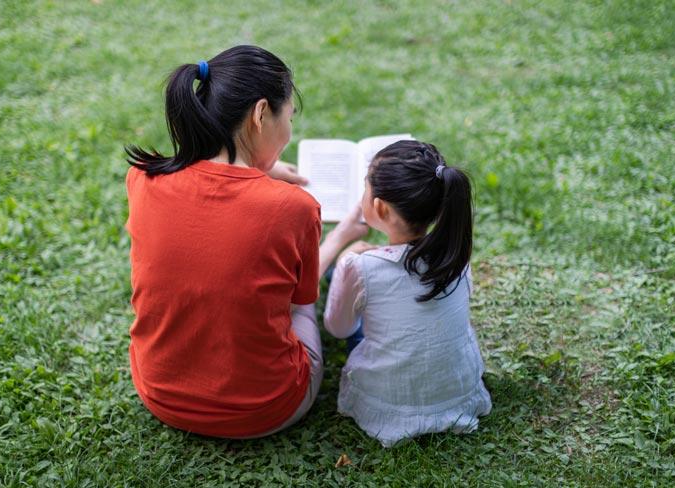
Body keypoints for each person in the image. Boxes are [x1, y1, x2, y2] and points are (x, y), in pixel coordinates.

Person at [124, 45, 365, 438]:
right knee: (301, 312)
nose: (289, 133)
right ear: (260, 114)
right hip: (265, 409)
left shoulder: (143, 179)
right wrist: (341, 237)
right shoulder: (294, 207)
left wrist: (263, 175)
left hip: (159, 394)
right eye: (289, 117)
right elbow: (298, 300)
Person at [323, 140, 492, 447]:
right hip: (455, 392)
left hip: (389, 400)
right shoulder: (456, 255)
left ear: (379, 207)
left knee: (356, 318)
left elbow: (339, 328)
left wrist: (347, 259)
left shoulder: (360, 267)